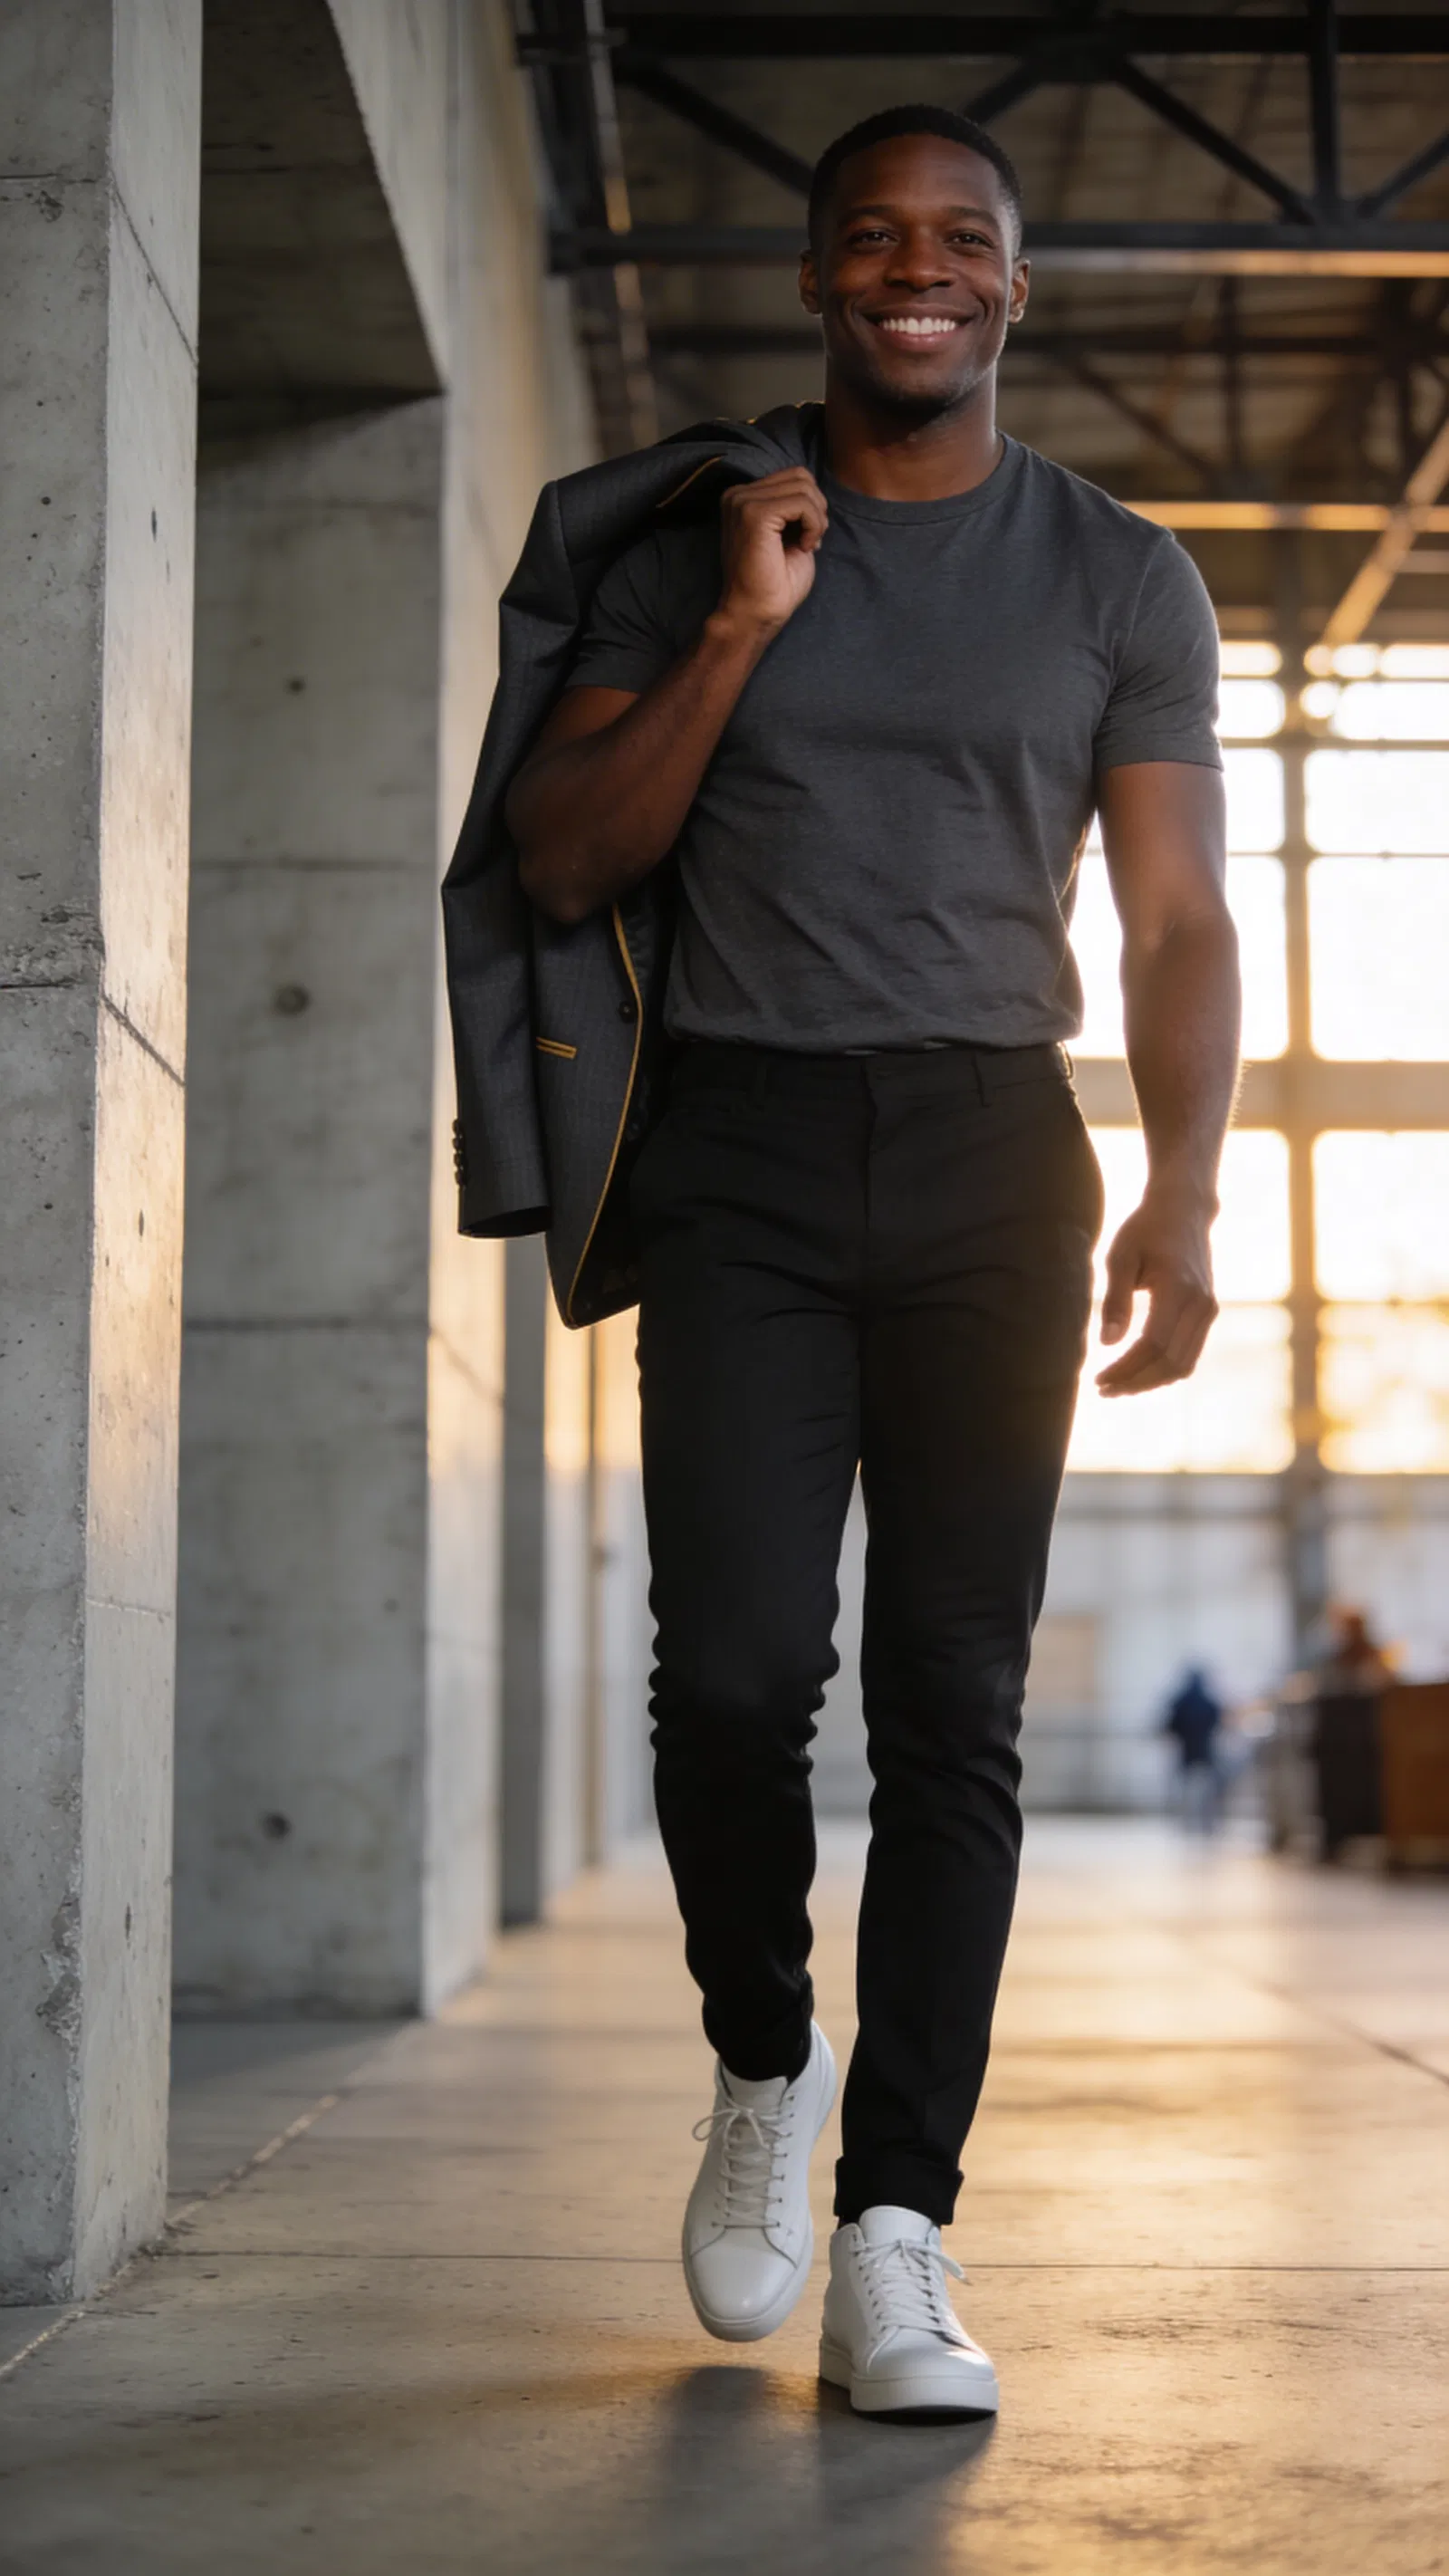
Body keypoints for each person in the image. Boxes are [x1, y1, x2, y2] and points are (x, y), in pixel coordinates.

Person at [502, 104, 1239, 2420]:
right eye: (869, 242)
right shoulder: (692, 539)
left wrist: (1188, 1186)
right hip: (730, 1135)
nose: (913, 273)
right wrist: (741, 619)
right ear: (818, 282)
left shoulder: (1119, 574)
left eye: (959, 245)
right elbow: (559, 856)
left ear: (1009, 292)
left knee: (953, 1704)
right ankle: (761, 2054)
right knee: (729, 1674)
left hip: (985, 1154)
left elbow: (1179, 912)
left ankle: (894, 2226)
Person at [1162, 1665, 1225, 1831]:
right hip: (1204, 1750)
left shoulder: (1181, 1701)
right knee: (1206, 1788)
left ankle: (1186, 1821)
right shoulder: (1208, 1701)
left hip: (1186, 1750)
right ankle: (1206, 1821)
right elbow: (1218, 1723)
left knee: (1186, 1788)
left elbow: (1171, 1725)